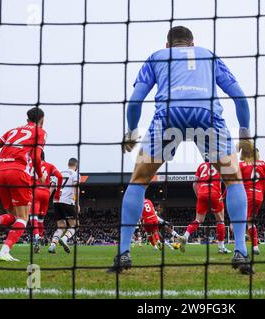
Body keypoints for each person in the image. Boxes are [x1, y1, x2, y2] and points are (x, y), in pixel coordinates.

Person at [108, 26, 253, 275]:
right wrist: (245, 134)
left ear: (168, 45)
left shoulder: (156, 57)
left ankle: (123, 254)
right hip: (206, 116)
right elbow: (239, 96)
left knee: (139, 181)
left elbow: (135, 100)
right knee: (233, 180)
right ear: (192, 43)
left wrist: (131, 131)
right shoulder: (208, 55)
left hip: (169, 116)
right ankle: (240, 251)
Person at [0, 107, 47, 262]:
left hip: (0, 173)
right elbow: (36, 157)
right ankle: (4, 251)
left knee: (15, 216)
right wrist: (41, 176)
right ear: (42, 119)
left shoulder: (13, 131)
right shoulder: (40, 132)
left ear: (27, 119)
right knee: (24, 217)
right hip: (18, 172)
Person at [180, 161, 232, 254]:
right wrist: (223, 196)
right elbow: (229, 182)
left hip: (202, 193)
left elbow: (194, 184)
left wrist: (199, 196)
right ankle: (221, 247)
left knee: (198, 219)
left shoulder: (201, 165)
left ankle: (185, 236)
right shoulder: (220, 165)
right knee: (220, 220)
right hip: (215, 193)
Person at [29, 151, 63, 253]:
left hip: (35, 192)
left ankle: (36, 236)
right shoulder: (50, 165)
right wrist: (57, 193)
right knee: (40, 220)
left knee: (33, 217)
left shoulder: (30, 164)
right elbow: (60, 176)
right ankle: (40, 238)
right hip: (46, 193)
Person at [48, 158, 81, 254]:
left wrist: (46, 200)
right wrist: (77, 202)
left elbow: (52, 187)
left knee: (61, 226)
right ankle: (65, 239)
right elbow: (75, 186)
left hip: (56, 201)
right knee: (75, 225)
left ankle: (52, 245)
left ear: (68, 164)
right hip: (67, 201)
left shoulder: (59, 173)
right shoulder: (75, 174)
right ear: (76, 166)